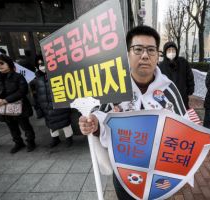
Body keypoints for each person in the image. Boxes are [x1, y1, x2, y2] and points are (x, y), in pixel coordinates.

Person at [79, 25, 189, 200]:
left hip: (159, 173)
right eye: (138, 49)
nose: (145, 55)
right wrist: (93, 123)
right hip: (124, 172)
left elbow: (185, 128)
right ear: (128, 54)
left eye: (151, 50)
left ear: (157, 56)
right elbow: (102, 119)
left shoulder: (169, 89)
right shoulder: (115, 87)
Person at [0, 54, 36, 153]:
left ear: (8, 64)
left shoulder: (18, 76)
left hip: (20, 106)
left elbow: (22, 91)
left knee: (25, 126)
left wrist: (6, 100)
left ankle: (31, 142)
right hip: (4, 108)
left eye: (1, 63)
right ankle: (18, 143)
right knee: (11, 127)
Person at [31, 55, 74, 148]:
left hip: (60, 105)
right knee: (51, 124)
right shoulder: (36, 80)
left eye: (45, 64)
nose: (43, 67)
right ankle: (55, 138)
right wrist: (38, 109)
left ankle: (69, 138)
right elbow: (35, 96)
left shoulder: (60, 74)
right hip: (46, 107)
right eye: (40, 65)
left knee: (65, 123)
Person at [159, 41, 195, 109]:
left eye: (173, 50)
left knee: (183, 114)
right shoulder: (161, 66)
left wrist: (190, 90)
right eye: (169, 50)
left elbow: (190, 77)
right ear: (165, 52)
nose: (171, 52)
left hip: (182, 95)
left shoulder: (183, 62)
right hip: (168, 97)